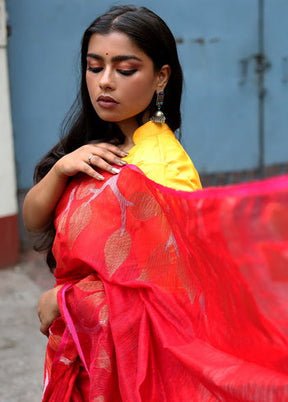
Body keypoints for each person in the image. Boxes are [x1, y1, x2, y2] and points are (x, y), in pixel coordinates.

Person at [23, 5, 288, 402]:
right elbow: (33, 218)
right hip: (85, 350)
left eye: (125, 70)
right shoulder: (100, 145)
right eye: (94, 67)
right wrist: (61, 169)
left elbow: (166, 297)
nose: (105, 82)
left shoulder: (163, 171)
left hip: (133, 370)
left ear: (160, 76)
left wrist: (63, 302)